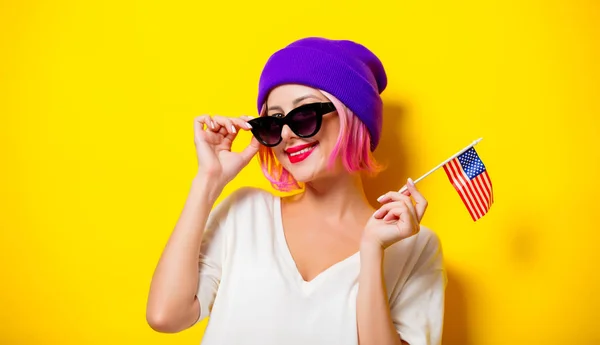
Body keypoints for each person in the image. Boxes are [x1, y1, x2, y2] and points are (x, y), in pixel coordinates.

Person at [146, 37, 446, 345]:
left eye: (304, 115)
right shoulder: (245, 211)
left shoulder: (414, 245)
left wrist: (371, 252)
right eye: (274, 122)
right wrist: (208, 182)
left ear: (353, 118)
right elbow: (165, 316)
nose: (287, 134)